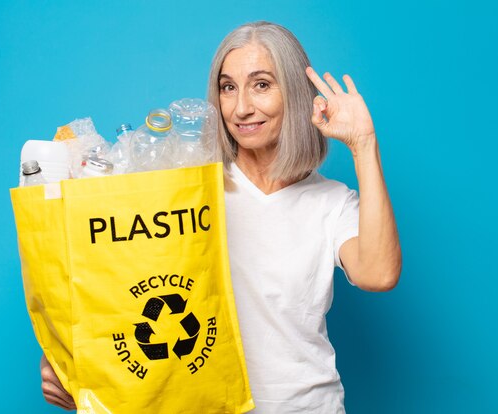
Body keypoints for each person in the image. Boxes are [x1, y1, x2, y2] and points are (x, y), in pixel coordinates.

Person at [40, 21, 402, 413]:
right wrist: (68, 353)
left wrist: (364, 145)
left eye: (262, 84)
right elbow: (120, 278)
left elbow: (378, 274)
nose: (242, 106)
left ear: (296, 94)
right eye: (228, 87)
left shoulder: (330, 202)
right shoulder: (190, 191)